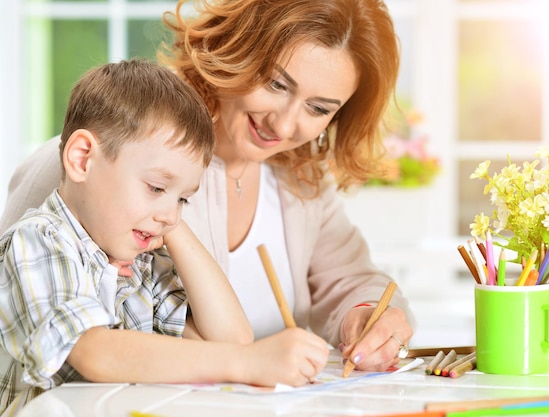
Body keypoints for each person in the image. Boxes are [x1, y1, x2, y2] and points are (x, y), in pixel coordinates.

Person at [0, 0, 416, 373]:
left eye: (318, 108)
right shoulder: (101, 161)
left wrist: (370, 314)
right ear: (238, 51)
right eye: (276, 84)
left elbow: (350, 279)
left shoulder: (298, 178)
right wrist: (248, 362)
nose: (286, 125)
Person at [0, 60, 330, 416]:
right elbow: (93, 351)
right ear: (82, 159)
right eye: (156, 186)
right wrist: (248, 363)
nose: (171, 215)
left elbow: (232, 337)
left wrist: (173, 225)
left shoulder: (143, 263)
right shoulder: (39, 240)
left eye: (183, 198)